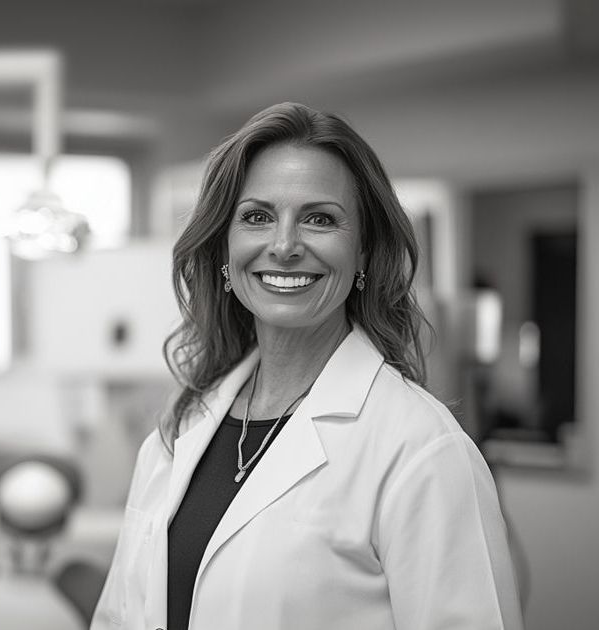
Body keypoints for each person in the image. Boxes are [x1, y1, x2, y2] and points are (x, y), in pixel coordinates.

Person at [91, 102, 524, 630]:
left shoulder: (421, 448)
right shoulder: (182, 425)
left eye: (320, 219)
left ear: (364, 253)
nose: (284, 246)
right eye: (257, 216)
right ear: (224, 249)